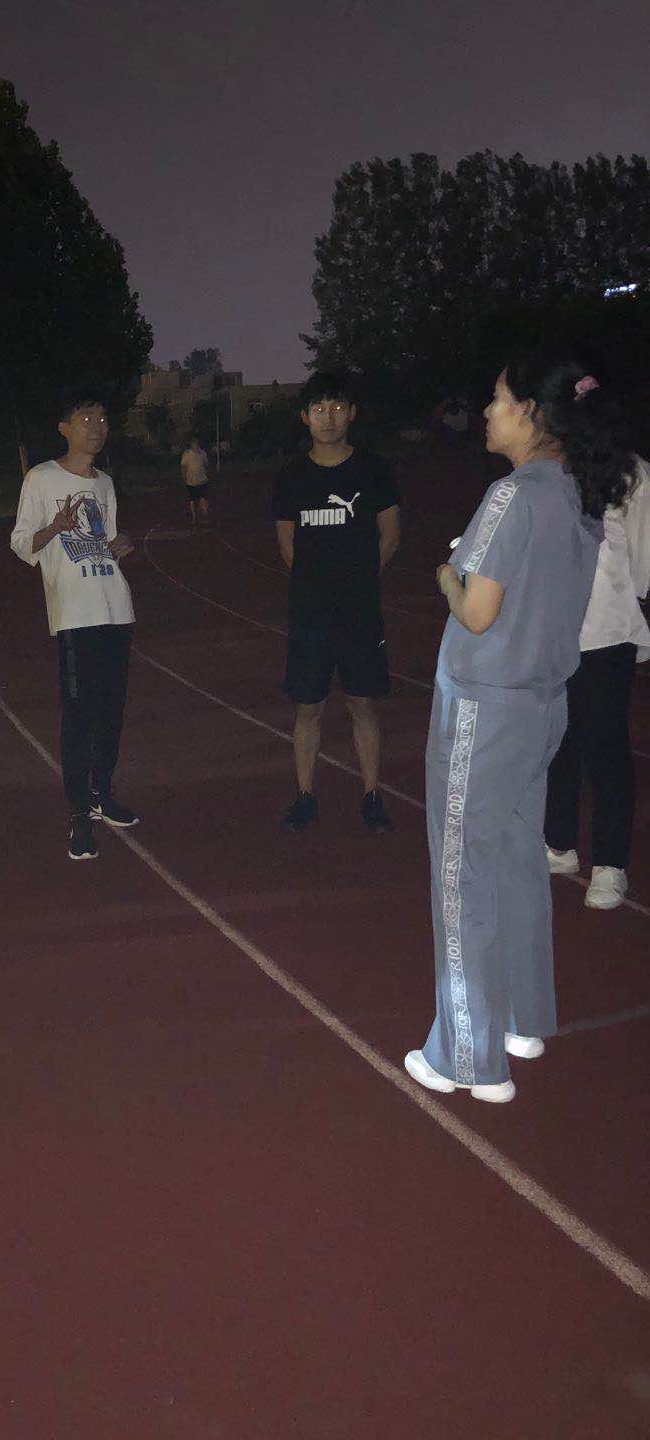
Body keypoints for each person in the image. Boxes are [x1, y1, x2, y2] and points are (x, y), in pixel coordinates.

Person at [405, 355, 628, 1104]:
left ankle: (466, 1057)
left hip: (483, 707)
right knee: (517, 861)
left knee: (462, 872)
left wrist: (447, 574)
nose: (486, 412)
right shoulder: (581, 494)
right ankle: (522, 1021)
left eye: (497, 399)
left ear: (531, 411)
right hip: (541, 704)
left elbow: (476, 610)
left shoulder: (513, 493)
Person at [10, 393, 138, 860]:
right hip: (75, 616)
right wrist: (56, 527)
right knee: (79, 717)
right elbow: (22, 544)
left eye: (103, 418)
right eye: (87, 418)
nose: (98, 426)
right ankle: (79, 813)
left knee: (111, 712)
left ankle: (103, 793)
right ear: (64, 427)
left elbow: (106, 539)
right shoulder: (42, 478)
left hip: (115, 609)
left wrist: (120, 544)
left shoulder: (104, 483)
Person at [272, 371, 401, 834]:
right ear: (305, 417)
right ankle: (305, 795)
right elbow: (287, 545)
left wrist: (358, 581)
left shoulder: (373, 469)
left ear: (352, 414)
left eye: (337, 408)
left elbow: (390, 535)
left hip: (359, 611)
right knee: (307, 707)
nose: (329, 418)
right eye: (319, 409)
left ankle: (372, 794)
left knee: (362, 704)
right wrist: (319, 584)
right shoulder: (292, 475)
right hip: (310, 612)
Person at [544, 453, 650, 908]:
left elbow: (643, 556)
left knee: (605, 745)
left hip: (606, 631)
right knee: (557, 742)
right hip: (553, 631)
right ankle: (558, 842)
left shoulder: (628, 472)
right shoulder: (544, 466)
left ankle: (610, 863)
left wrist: (622, 598)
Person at [180, 435, 211, 523]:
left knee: (203, 498)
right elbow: (183, 467)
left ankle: (204, 515)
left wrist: (206, 474)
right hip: (191, 481)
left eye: (197, 444)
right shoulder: (187, 454)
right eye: (194, 444)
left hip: (202, 480)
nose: (195, 446)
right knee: (192, 500)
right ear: (191, 445)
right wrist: (184, 477)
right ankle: (194, 517)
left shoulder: (202, 453)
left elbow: (206, 465)